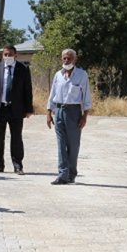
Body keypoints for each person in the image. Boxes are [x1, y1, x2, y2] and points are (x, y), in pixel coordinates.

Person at [0, 45, 34, 175]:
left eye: (10, 54)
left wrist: (29, 108)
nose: (7, 57)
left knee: (16, 137)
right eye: (5, 54)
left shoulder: (23, 69)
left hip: (16, 109)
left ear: (15, 55)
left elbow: (28, 90)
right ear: (2, 56)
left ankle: (18, 165)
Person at [46, 48, 92, 185]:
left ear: (75, 60)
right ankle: (62, 174)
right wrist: (49, 112)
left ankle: (71, 174)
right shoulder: (58, 75)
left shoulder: (81, 75)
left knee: (73, 144)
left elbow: (86, 97)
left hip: (74, 112)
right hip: (59, 110)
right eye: (64, 58)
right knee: (61, 144)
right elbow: (52, 94)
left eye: (69, 58)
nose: (66, 61)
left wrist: (85, 116)